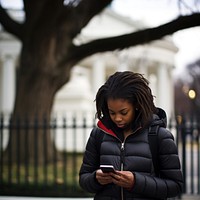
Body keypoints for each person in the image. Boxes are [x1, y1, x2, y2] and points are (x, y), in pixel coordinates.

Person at [79, 71, 183, 200]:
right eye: (112, 112)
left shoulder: (159, 136)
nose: (117, 118)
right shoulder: (98, 135)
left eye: (123, 112)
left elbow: (175, 186)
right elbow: (84, 180)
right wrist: (96, 179)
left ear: (137, 106)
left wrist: (136, 182)